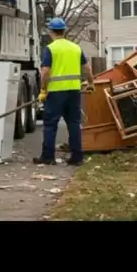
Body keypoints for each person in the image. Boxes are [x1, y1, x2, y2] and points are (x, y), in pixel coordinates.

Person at [34, 17, 94, 167]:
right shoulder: (75, 48)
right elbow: (87, 68)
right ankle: (77, 157)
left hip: (55, 93)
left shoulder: (50, 48)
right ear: (64, 30)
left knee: (50, 124)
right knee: (74, 123)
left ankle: (48, 157)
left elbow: (45, 71)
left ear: (51, 32)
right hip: (74, 91)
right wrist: (91, 83)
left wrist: (42, 89)